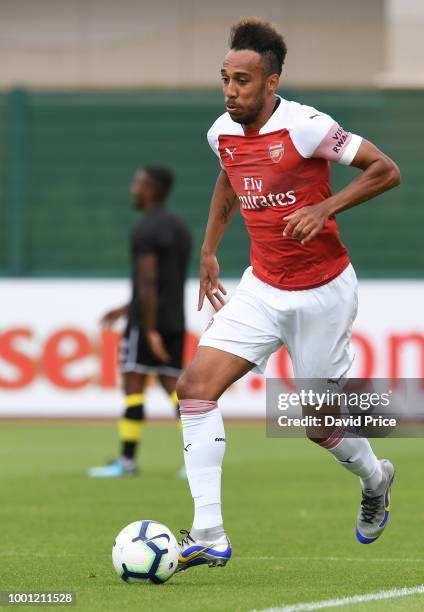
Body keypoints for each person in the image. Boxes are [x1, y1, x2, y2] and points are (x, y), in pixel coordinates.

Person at [174, 18, 401, 570]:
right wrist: (209, 250)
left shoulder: (307, 127)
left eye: (243, 81)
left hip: (322, 293)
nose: (231, 90)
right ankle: (209, 533)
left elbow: (386, 170)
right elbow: (230, 177)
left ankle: (375, 478)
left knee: (318, 423)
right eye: (225, 78)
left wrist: (325, 207)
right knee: (194, 387)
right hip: (261, 287)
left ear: (271, 82)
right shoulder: (220, 132)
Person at [88, 165, 192, 478]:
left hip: (148, 323)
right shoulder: (180, 228)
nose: (134, 189)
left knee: (133, 384)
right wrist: (126, 307)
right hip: (174, 319)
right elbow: (163, 282)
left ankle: (127, 461)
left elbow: (148, 282)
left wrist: (147, 329)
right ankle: (195, 460)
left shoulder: (145, 229)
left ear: (154, 189)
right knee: (174, 387)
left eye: (139, 183)